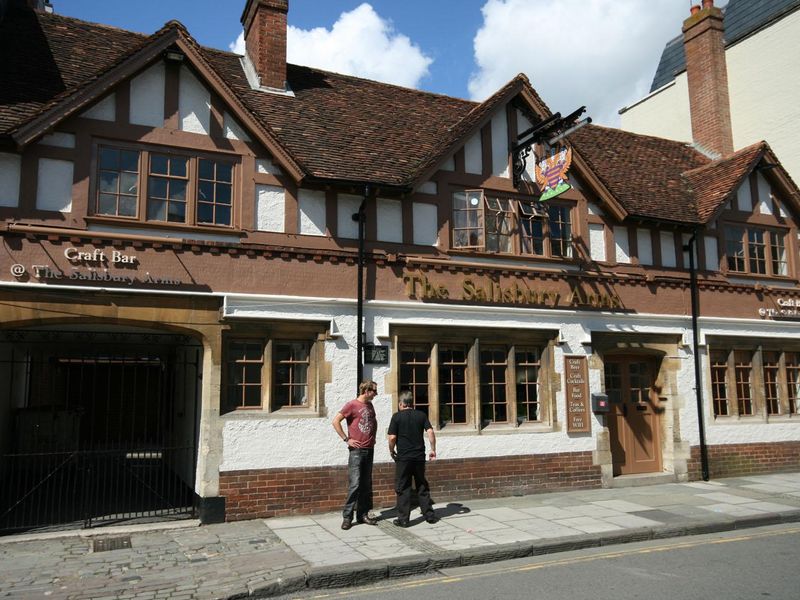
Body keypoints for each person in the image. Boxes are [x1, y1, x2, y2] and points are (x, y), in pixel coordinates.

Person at [332, 380, 379, 530]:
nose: (376, 394)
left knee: (366, 484)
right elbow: (335, 421)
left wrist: (374, 436)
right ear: (367, 391)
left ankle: (362, 514)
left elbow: (374, 421)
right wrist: (347, 439)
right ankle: (347, 517)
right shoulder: (352, 405)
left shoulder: (370, 406)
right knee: (355, 484)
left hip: (369, 449)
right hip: (357, 451)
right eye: (374, 391)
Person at [387, 390, 438, 527]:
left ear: (401, 404)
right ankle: (429, 515)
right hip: (419, 457)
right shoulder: (421, 415)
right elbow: (431, 432)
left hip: (403, 457)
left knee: (403, 487)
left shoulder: (396, 417)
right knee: (422, 485)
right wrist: (432, 449)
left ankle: (403, 519)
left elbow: (392, 438)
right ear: (411, 403)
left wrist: (391, 451)